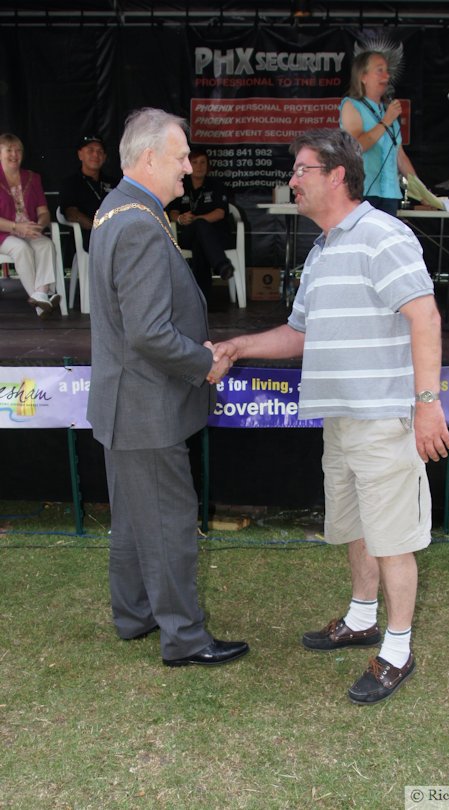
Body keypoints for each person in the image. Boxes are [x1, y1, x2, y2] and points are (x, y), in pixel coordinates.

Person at [213, 128, 449, 704]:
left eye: (300, 170)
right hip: (341, 420)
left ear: (336, 175)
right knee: (355, 528)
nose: (292, 181)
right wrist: (240, 346)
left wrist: (426, 407)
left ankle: (396, 650)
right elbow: (299, 334)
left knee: (392, 537)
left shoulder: (382, 236)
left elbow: (425, 318)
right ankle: (362, 617)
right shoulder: (322, 249)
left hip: (384, 420)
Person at [86, 108, 249, 668]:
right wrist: (202, 363)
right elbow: (150, 333)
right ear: (149, 157)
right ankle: (184, 637)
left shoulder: (117, 210)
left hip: (123, 403)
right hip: (145, 407)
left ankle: (134, 615)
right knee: (170, 524)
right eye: (181, 156)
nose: (188, 167)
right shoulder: (136, 222)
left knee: (134, 520)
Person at [340, 45, 417, 216]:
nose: (387, 76)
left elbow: (400, 156)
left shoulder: (388, 112)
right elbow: (356, 146)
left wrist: (421, 190)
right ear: (363, 76)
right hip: (363, 190)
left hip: (390, 193)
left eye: (387, 71)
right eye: (380, 70)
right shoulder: (351, 105)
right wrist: (386, 121)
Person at [0, 132, 61, 317]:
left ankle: (41, 294)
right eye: (9, 150)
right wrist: (17, 228)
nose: (14, 155)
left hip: (29, 229)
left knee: (45, 244)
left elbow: (43, 212)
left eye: (18, 150)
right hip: (4, 232)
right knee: (21, 249)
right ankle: (40, 301)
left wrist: (39, 226)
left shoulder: (32, 177)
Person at [166, 148, 234, 302]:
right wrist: (180, 219)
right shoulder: (181, 185)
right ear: (188, 165)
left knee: (200, 241)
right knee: (198, 231)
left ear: (208, 165)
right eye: (195, 162)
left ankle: (202, 299)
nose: (199, 166)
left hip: (216, 236)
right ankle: (221, 264)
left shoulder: (215, 185)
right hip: (186, 235)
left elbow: (220, 213)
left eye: (203, 162)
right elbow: (172, 212)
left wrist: (198, 219)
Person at [59, 135, 114, 250]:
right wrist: (97, 227)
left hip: (114, 232)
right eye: (90, 150)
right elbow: (71, 214)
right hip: (87, 236)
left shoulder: (115, 183)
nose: (95, 155)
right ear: (80, 155)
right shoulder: (70, 183)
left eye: (100, 151)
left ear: (104, 157)